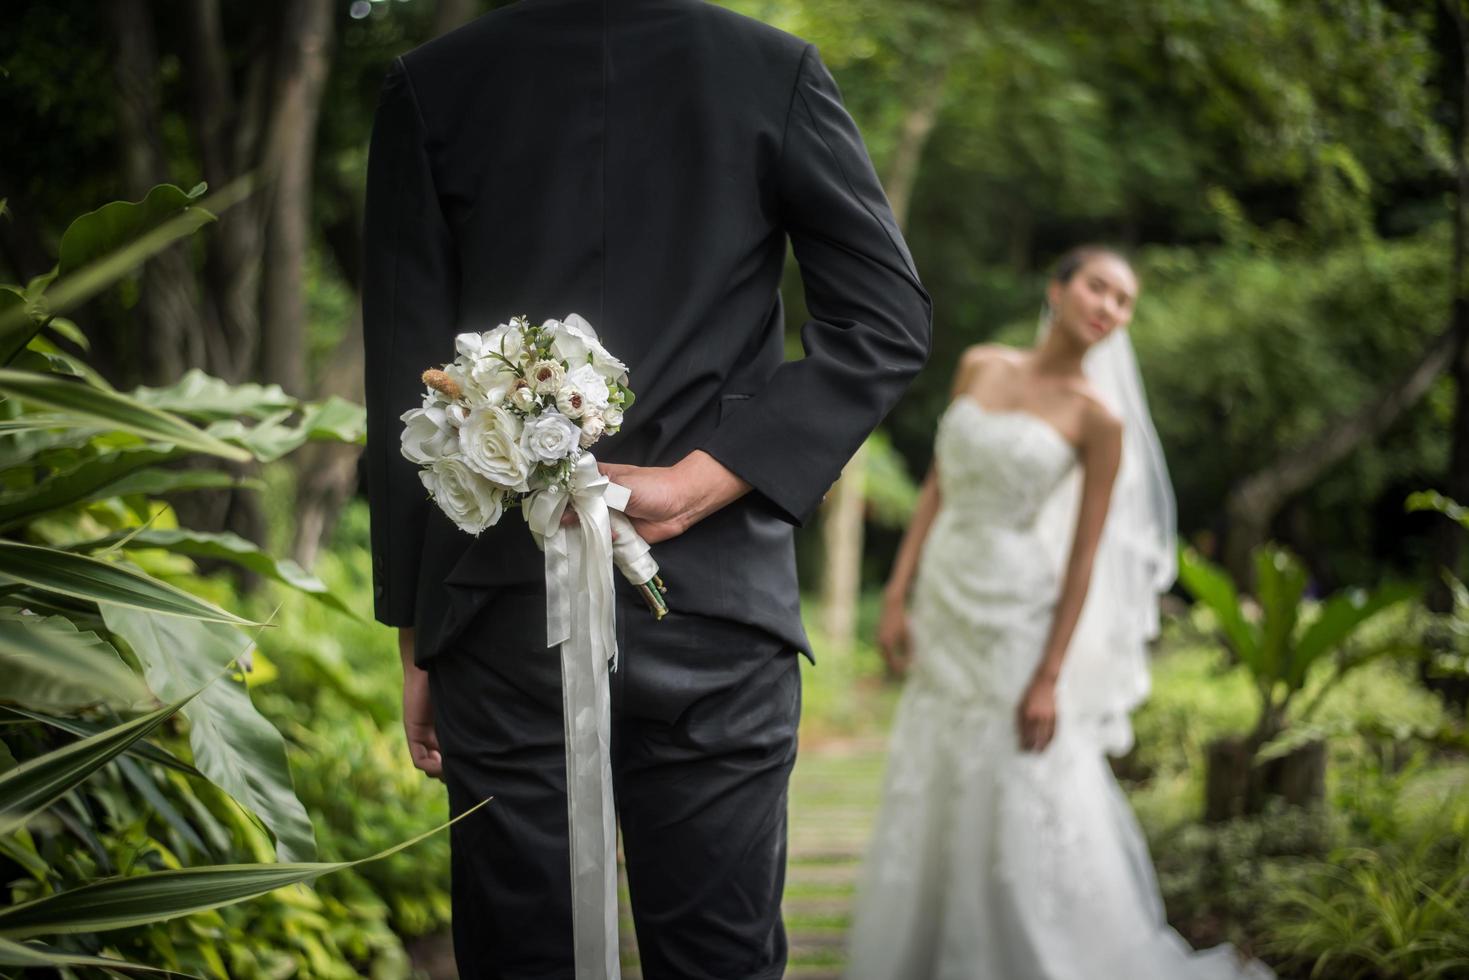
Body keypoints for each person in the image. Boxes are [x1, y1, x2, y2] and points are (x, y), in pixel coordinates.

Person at [359, 1, 932, 977]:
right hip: (716, 604)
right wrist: (707, 480)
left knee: (518, 956)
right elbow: (885, 318)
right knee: (718, 957)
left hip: (498, 611)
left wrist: (418, 629)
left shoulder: (434, 85)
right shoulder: (771, 70)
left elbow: (407, 381)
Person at [845, 247, 1271, 979]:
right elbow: (940, 485)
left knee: (1019, 772)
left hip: (1020, 612)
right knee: (934, 760)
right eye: (1098, 287)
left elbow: (1083, 556)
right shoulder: (980, 363)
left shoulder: (1099, 420)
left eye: (1123, 300)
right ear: (1058, 288)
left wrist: (1048, 674)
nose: (1108, 307)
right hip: (945, 595)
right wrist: (896, 592)